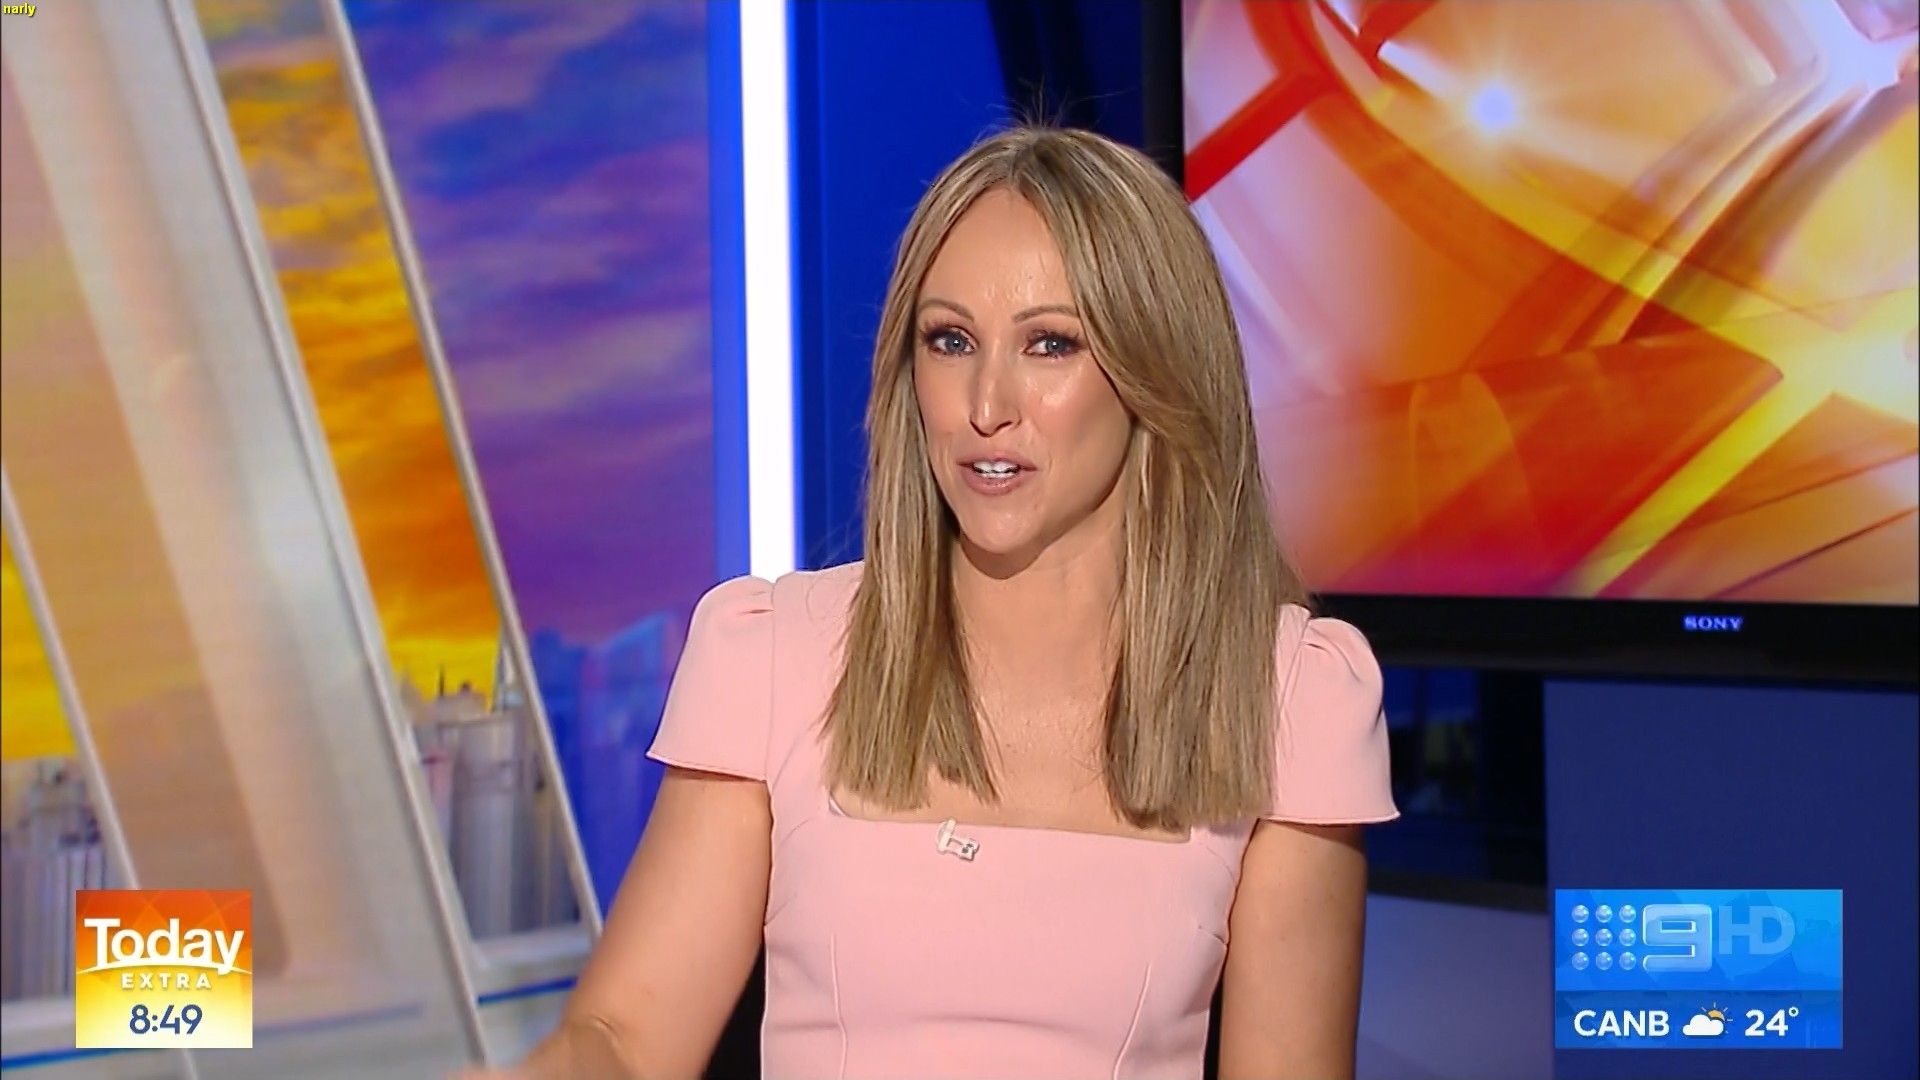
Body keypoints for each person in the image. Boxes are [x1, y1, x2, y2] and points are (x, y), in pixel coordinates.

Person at [460, 124, 1397, 1080]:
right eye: (951, 341)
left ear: (1156, 372)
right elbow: (623, 1043)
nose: (987, 404)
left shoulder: (1290, 695)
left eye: (1050, 344)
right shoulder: (772, 656)